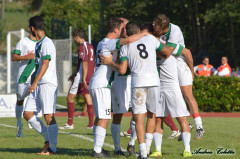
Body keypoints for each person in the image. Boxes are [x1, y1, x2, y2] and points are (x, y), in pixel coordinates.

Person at [101, 21, 176, 159]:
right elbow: (167, 52)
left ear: (127, 33)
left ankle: (142, 152)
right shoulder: (151, 39)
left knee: (139, 117)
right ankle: (147, 148)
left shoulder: (125, 45)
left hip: (138, 81)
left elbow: (123, 69)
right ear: (139, 30)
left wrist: (110, 63)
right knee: (152, 115)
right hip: (154, 81)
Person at [89, 18, 148, 158]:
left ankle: (98, 148)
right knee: (104, 117)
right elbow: (126, 41)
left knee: (100, 117)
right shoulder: (108, 42)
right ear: (115, 30)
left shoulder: (103, 43)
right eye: (121, 29)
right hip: (101, 84)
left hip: (99, 82)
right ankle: (97, 151)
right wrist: (144, 34)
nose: (123, 31)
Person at [140, 23, 191, 157]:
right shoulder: (149, 46)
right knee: (158, 119)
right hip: (158, 86)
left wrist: (190, 72)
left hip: (172, 86)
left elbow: (183, 51)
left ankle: (187, 149)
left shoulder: (168, 45)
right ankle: (157, 150)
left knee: (181, 118)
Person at [153, 14, 205, 140]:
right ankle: (186, 125)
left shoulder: (174, 31)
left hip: (179, 63)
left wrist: (192, 71)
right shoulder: (156, 31)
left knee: (187, 94)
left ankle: (199, 126)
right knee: (168, 98)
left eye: (156, 26)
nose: (154, 27)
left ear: (163, 28)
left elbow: (184, 52)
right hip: (166, 65)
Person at [23, 16, 58, 155]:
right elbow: (39, 65)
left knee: (48, 115)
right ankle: (47, 138)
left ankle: (53, 149)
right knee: (27, 113)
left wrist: (36, 82)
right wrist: (33, 80)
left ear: (32, 28)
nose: (28, 29)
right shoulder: (39, 43)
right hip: (38, 84)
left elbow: (45, 63)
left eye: (28, 27)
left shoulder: (47, 43)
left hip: (47, 83)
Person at [59, 28, 95, 130]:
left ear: (77, 37)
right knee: (88, 99)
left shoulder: (82, 47)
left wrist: (82, 78)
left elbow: (85, 63)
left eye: (74, 38)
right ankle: (91, 124)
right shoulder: (90, 46)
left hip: (83, 76)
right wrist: (75, 74)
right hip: (91, 75)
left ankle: (70, 123)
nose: (74, 40)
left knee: (69, 98)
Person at [12, 29, 36, 137]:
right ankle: (18, 124)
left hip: (36, 77)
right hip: (23, 77)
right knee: (20, 100)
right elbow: (14, 57)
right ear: (31, 28)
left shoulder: (42, 43)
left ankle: (31, 120)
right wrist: (27, 57)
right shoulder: (23, 42)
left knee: (35, 97)